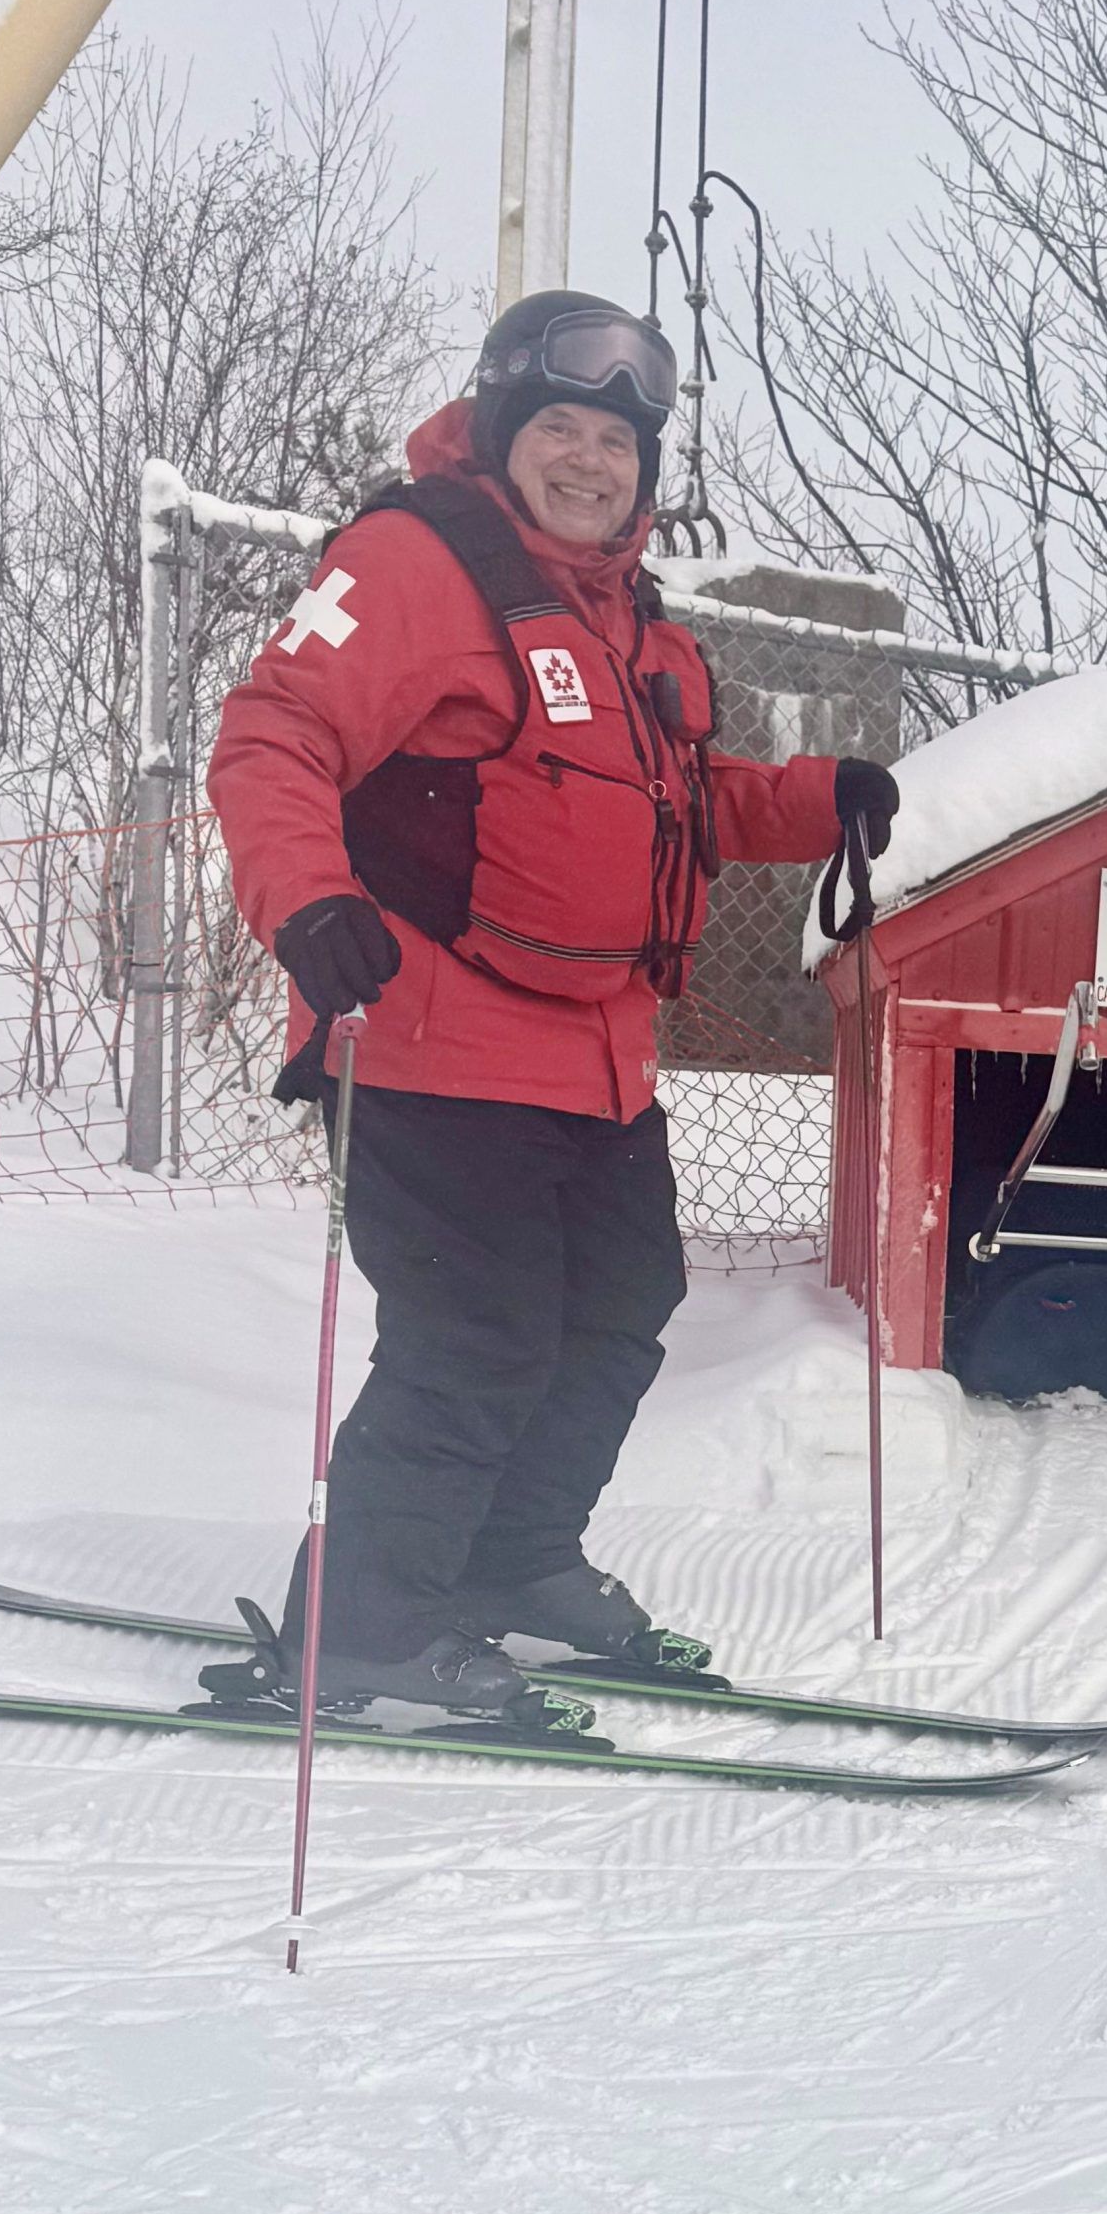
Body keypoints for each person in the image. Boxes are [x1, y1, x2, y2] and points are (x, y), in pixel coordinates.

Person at [208, 290, 901, 1718]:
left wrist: (814, 798)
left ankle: (511, 1558)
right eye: (562, 429)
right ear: (503, 430)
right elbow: (274, 730)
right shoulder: (417, 561)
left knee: (618, 1307)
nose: (591, 462)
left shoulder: (632, 623)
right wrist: (307, 900)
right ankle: (366, 1624)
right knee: (476, 1335)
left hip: (599, 1059)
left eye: (619, 442)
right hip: (429, 1038)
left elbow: (679, 800)